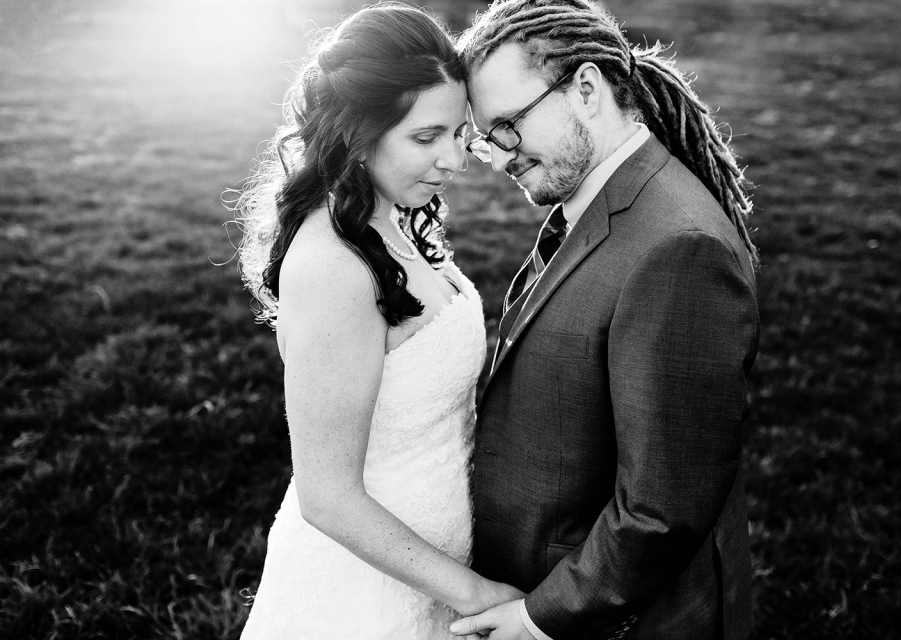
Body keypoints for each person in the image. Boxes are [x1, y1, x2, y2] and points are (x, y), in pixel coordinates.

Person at [450, 1, 760, 638]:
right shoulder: (598, 199)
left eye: (508, 126)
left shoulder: (679, 250)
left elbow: (663, 507)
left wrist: (538, 619)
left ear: (586, 89)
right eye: (486, 138)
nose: (500, 157)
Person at [234, 5, 522, 638]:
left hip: (434, 556)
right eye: (426, 138)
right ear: (359, 135)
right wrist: (475, 594)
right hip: (366, 591)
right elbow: (328, 497)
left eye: (458, 133)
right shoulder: (333, 267)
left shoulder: (389, 221)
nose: (454, 160)